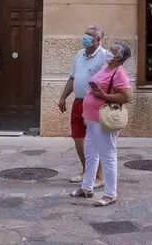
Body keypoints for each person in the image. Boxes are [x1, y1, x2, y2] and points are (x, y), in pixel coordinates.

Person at [70, 40, 132, 207]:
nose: (107, 53)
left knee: (108, 155)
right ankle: (87, 187)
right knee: (91, 153)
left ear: (118, 57)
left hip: (104, 120)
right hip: (92, 119)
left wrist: (104, 96)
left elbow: (127, 97)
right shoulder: (106, 68)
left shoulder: (119, 73)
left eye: (111, 51)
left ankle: (110, 194)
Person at [58, 26, 109, 187]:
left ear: (98, 40)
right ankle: (87, 171)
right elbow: (73, 78)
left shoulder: (105, 56)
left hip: (95, 103)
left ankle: (99, 177)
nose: (86, 37)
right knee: (78, 137)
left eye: (90, 35)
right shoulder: (79, 55)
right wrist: (63, 97)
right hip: (78, 102)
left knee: (95, 140)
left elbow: (113, 79)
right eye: (86, 34)